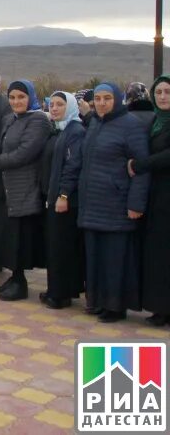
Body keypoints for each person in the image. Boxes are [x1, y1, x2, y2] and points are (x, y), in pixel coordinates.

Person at [78, 82, 150, 323]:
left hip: (117, 204)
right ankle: (98, 301)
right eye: (97, 99)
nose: (101, 103)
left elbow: (142, 168)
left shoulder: (131, 126)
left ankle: (115, 306)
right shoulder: (95, 124)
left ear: (117, 100)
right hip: (93, 203)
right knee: (96, 257)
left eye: (107, 98)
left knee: (115, 259)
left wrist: (136, 204)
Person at [0, 80, 50, 302]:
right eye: (13, 97)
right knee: (8, 235)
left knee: (21, 237)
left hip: (24, 188)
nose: (16, 102)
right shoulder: (9, 119)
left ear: (31, 98)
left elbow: (25, 153)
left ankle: (20, 281)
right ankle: (14, 277)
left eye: (21, 97)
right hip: (5, 187)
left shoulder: (38, 121)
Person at [39, 91, 85, 309]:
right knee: (54, 246)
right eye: (52, 104)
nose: (54, 108)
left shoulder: (75, 131)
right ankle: (54, 289)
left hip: (65, 200)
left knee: (62, 247)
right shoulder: (57, 130)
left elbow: (73, 166)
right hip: (53, 196)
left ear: (71, 107)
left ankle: (61, 294)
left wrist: (64, 194)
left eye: (60, 104)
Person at [137, 75, 170, 325]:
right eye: (158, 92)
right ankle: (161, 307)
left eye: (167, 92)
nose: (162, 97)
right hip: (156, 193)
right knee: (158, 251)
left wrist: (139, 165)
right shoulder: (155, 121)